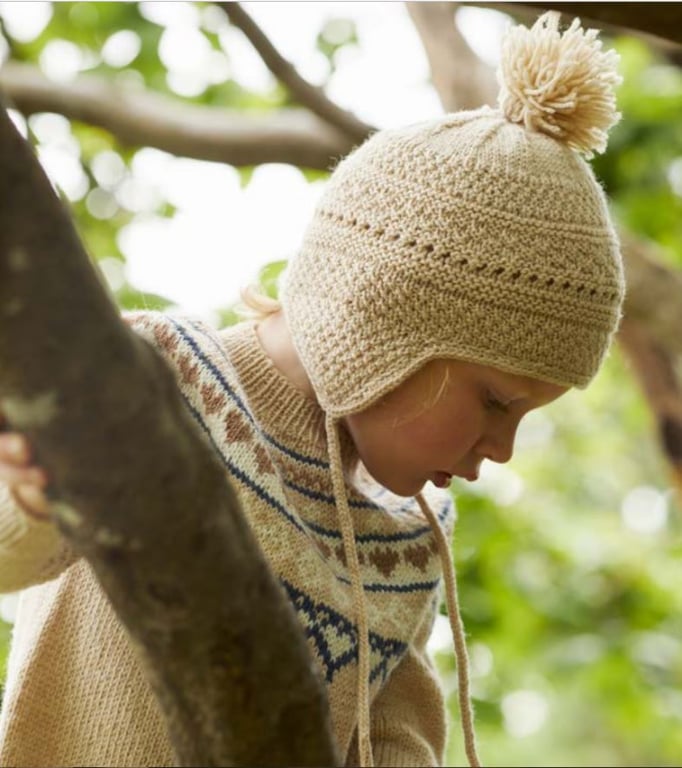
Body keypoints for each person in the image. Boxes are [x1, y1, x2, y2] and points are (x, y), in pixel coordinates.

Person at [0, 12, 623, 768]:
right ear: (384, 317)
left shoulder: (407, 539)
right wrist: (32, 494)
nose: (502, 449)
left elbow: (393, 742)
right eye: (496, 401)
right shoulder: (153, 381)